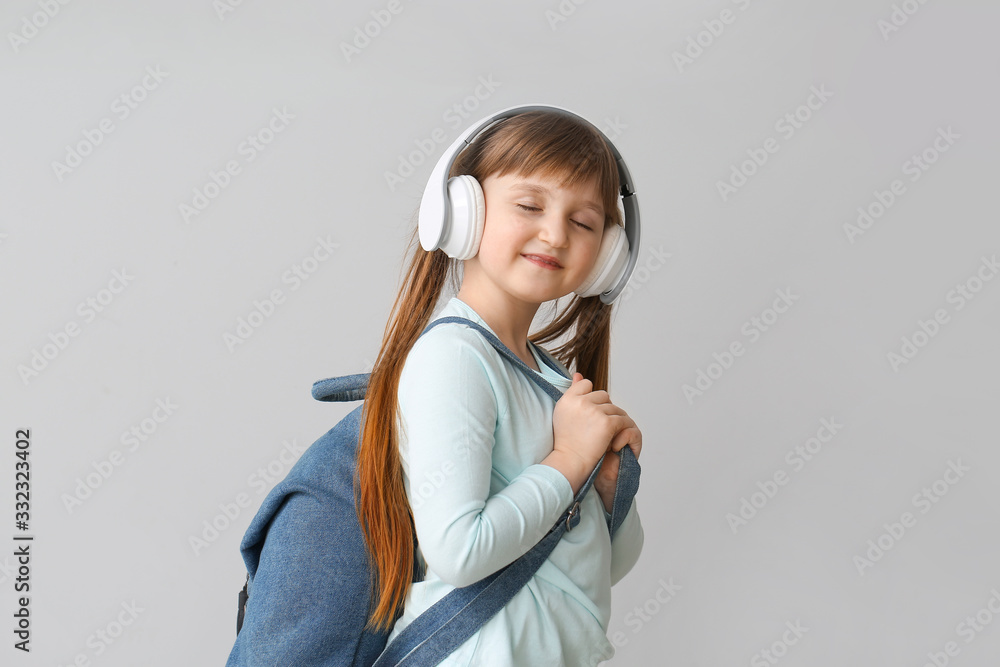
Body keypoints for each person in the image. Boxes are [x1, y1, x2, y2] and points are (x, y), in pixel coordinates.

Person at [356, 108, 644, 666]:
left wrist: (609, 484)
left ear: (607, 254)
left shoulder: (554, 380)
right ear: (463, 211)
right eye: (530, 205)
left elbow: (609, 563)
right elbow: (460, 551)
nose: (555, 233)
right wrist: (568, 458)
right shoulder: (455, 358)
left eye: (584, 222)